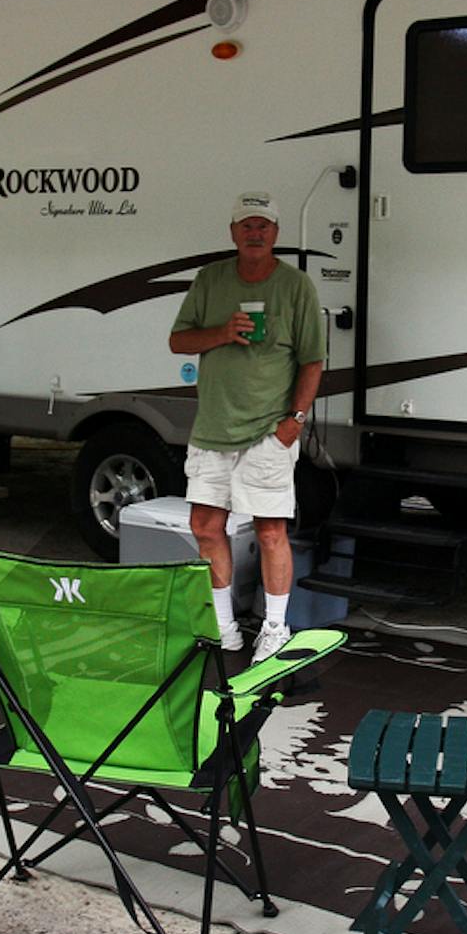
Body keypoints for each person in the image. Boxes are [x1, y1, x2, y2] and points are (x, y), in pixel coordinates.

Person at [169, 191, 326, 662]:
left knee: (270, 530)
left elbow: (312, 361)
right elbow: (178, 341)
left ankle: (275, 629)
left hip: (268, 431)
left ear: (275, 233)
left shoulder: (295, 286)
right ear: (233, 232)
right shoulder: (211, 279)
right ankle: (223, 628)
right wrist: (222, 331)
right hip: (213, 427)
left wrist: (294, 422)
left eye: (263, 226)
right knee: (205, 525)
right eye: (246, 225)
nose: (255, 233)